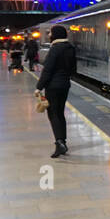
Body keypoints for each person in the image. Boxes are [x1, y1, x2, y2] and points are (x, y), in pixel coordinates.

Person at [36, 25, 77, 158]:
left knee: (53, 114)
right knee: (60, 113)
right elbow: (73, 69)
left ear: (55, 35)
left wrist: (39, 86)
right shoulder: (70, 48)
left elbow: (47, 69)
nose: (49, 35)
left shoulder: (55, 49)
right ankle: (63, 141)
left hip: (53, 86)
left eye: (50, 33)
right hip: (65, 85)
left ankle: (59, 143)